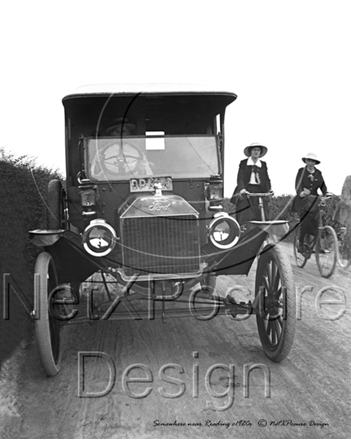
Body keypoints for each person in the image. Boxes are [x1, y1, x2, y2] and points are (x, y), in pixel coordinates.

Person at [291, 152, 328, 253]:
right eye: (308, 161)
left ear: (315, 162)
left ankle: (318, 244)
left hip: (314, 200)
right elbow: (297, 184)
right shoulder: (301, 171)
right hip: (303, 200)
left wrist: (325, 194)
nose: (310, 163)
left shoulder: (318, 173)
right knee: (305, 221)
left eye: (312, 161)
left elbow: (323, 186)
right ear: (306, 161)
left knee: (319, 219)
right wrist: (300, 192)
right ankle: (301, 243)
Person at [230, 142, 273, 223]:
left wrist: (269, 190)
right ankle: (244, 229)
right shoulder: (244, 163)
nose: (256, 152)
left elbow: (266, 179)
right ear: (250, 151)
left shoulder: (263, 164)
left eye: (258, 150)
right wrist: (242, 189)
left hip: (260, 190)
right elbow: (240, 178)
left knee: (263, 211)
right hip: (247, 189)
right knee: (245, 212)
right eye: (254, 150)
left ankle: (263, 232)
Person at [333, 175, 351, 259]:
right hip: (345, 208)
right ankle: (345, 253)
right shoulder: (349, 179)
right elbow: (345, 194)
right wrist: (348, 202)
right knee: (347, 229)